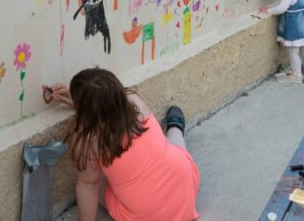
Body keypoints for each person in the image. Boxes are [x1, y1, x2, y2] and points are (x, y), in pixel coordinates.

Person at [44, 68, 200, 221]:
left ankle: (175, 128)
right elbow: (106, 108)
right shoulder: (133, 100)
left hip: (148, 215)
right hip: (184, 186)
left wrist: (81, 105)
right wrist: (78, 102)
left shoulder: (88, 140)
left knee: (91, 180)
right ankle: (176, 127)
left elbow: (88, 186)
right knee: (173, 146)